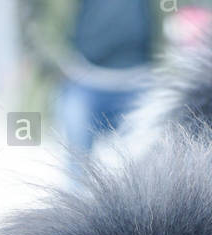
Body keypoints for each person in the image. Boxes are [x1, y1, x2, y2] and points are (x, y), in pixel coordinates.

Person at [54, 0, 160, 155]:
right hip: (84, 82)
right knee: (77, 165)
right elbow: (37, 18)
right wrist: (56, 60)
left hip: (141, 84)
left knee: (148, 168)